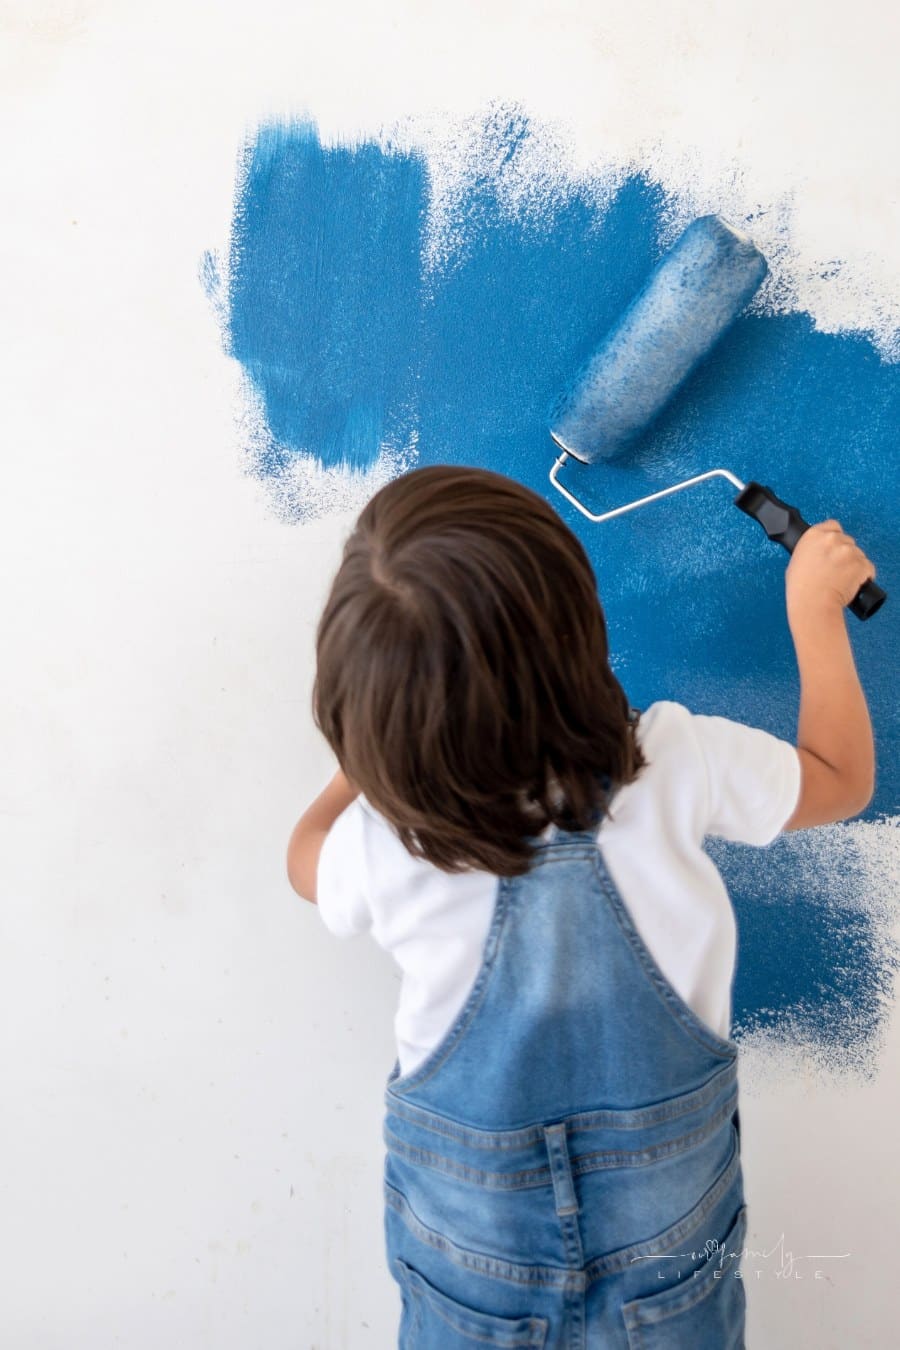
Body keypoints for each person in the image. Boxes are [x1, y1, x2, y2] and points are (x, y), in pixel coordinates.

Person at [287, 465, 875, 1348]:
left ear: (363, 712)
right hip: (668, 1256)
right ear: (578, 632)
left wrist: (366, 763)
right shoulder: (675, 761)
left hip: (469, 1264)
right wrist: (813, 612)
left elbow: (303, 862)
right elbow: (842, 780)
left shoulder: (389, 843)